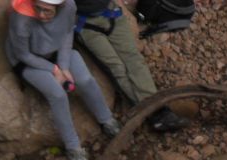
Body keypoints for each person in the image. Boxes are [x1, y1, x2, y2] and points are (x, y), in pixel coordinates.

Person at [5, 0, 122, 160]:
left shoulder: (69, 6)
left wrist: (64, 65)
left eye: (47, 11)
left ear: (59, 7)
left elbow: (67, 33)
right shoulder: (22, 19)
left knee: (85, 79)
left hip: (57, 52)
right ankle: (73, 148)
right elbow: (23, 54)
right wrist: (54, 70)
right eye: (38, 8)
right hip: (29, 61)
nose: (41, 15)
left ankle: (107, 120)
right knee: (58, 94)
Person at [73, 0, 188, 132]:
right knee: (117, 68)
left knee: (134, 60)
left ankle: (159, 110)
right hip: (86, 24)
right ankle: (153, 113)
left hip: (110, 13)